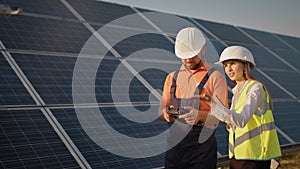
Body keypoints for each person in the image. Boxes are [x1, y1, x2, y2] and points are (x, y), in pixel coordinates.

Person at [158, 27, 229, 169]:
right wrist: (165, 113)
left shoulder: (215, 77)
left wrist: (200, 115)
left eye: (193, 54)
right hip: (174, 149)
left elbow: (224, 117)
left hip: (201, 151)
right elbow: (160, 110)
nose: (189, 59)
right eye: (185, 55)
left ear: (203, 49)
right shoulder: (172, 78)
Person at [202, 45, 282, 169]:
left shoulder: (255, 88)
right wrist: (229, 123)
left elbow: (242, 120)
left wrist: (213, 104)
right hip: (238, 155)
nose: (228, 69)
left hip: (254, 157)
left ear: (244, 65)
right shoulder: (236, 92)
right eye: (225, 65)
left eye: (232, 63)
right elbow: (237, 122)